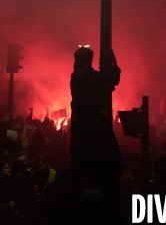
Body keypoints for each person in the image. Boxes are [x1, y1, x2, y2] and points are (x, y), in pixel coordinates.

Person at [69, 46, 124, 218]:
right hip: (95, 132)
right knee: (114, 166)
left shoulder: (76, 76)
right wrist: (113, 62)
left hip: (81, 132)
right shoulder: (88, 75)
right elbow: (113, 79)